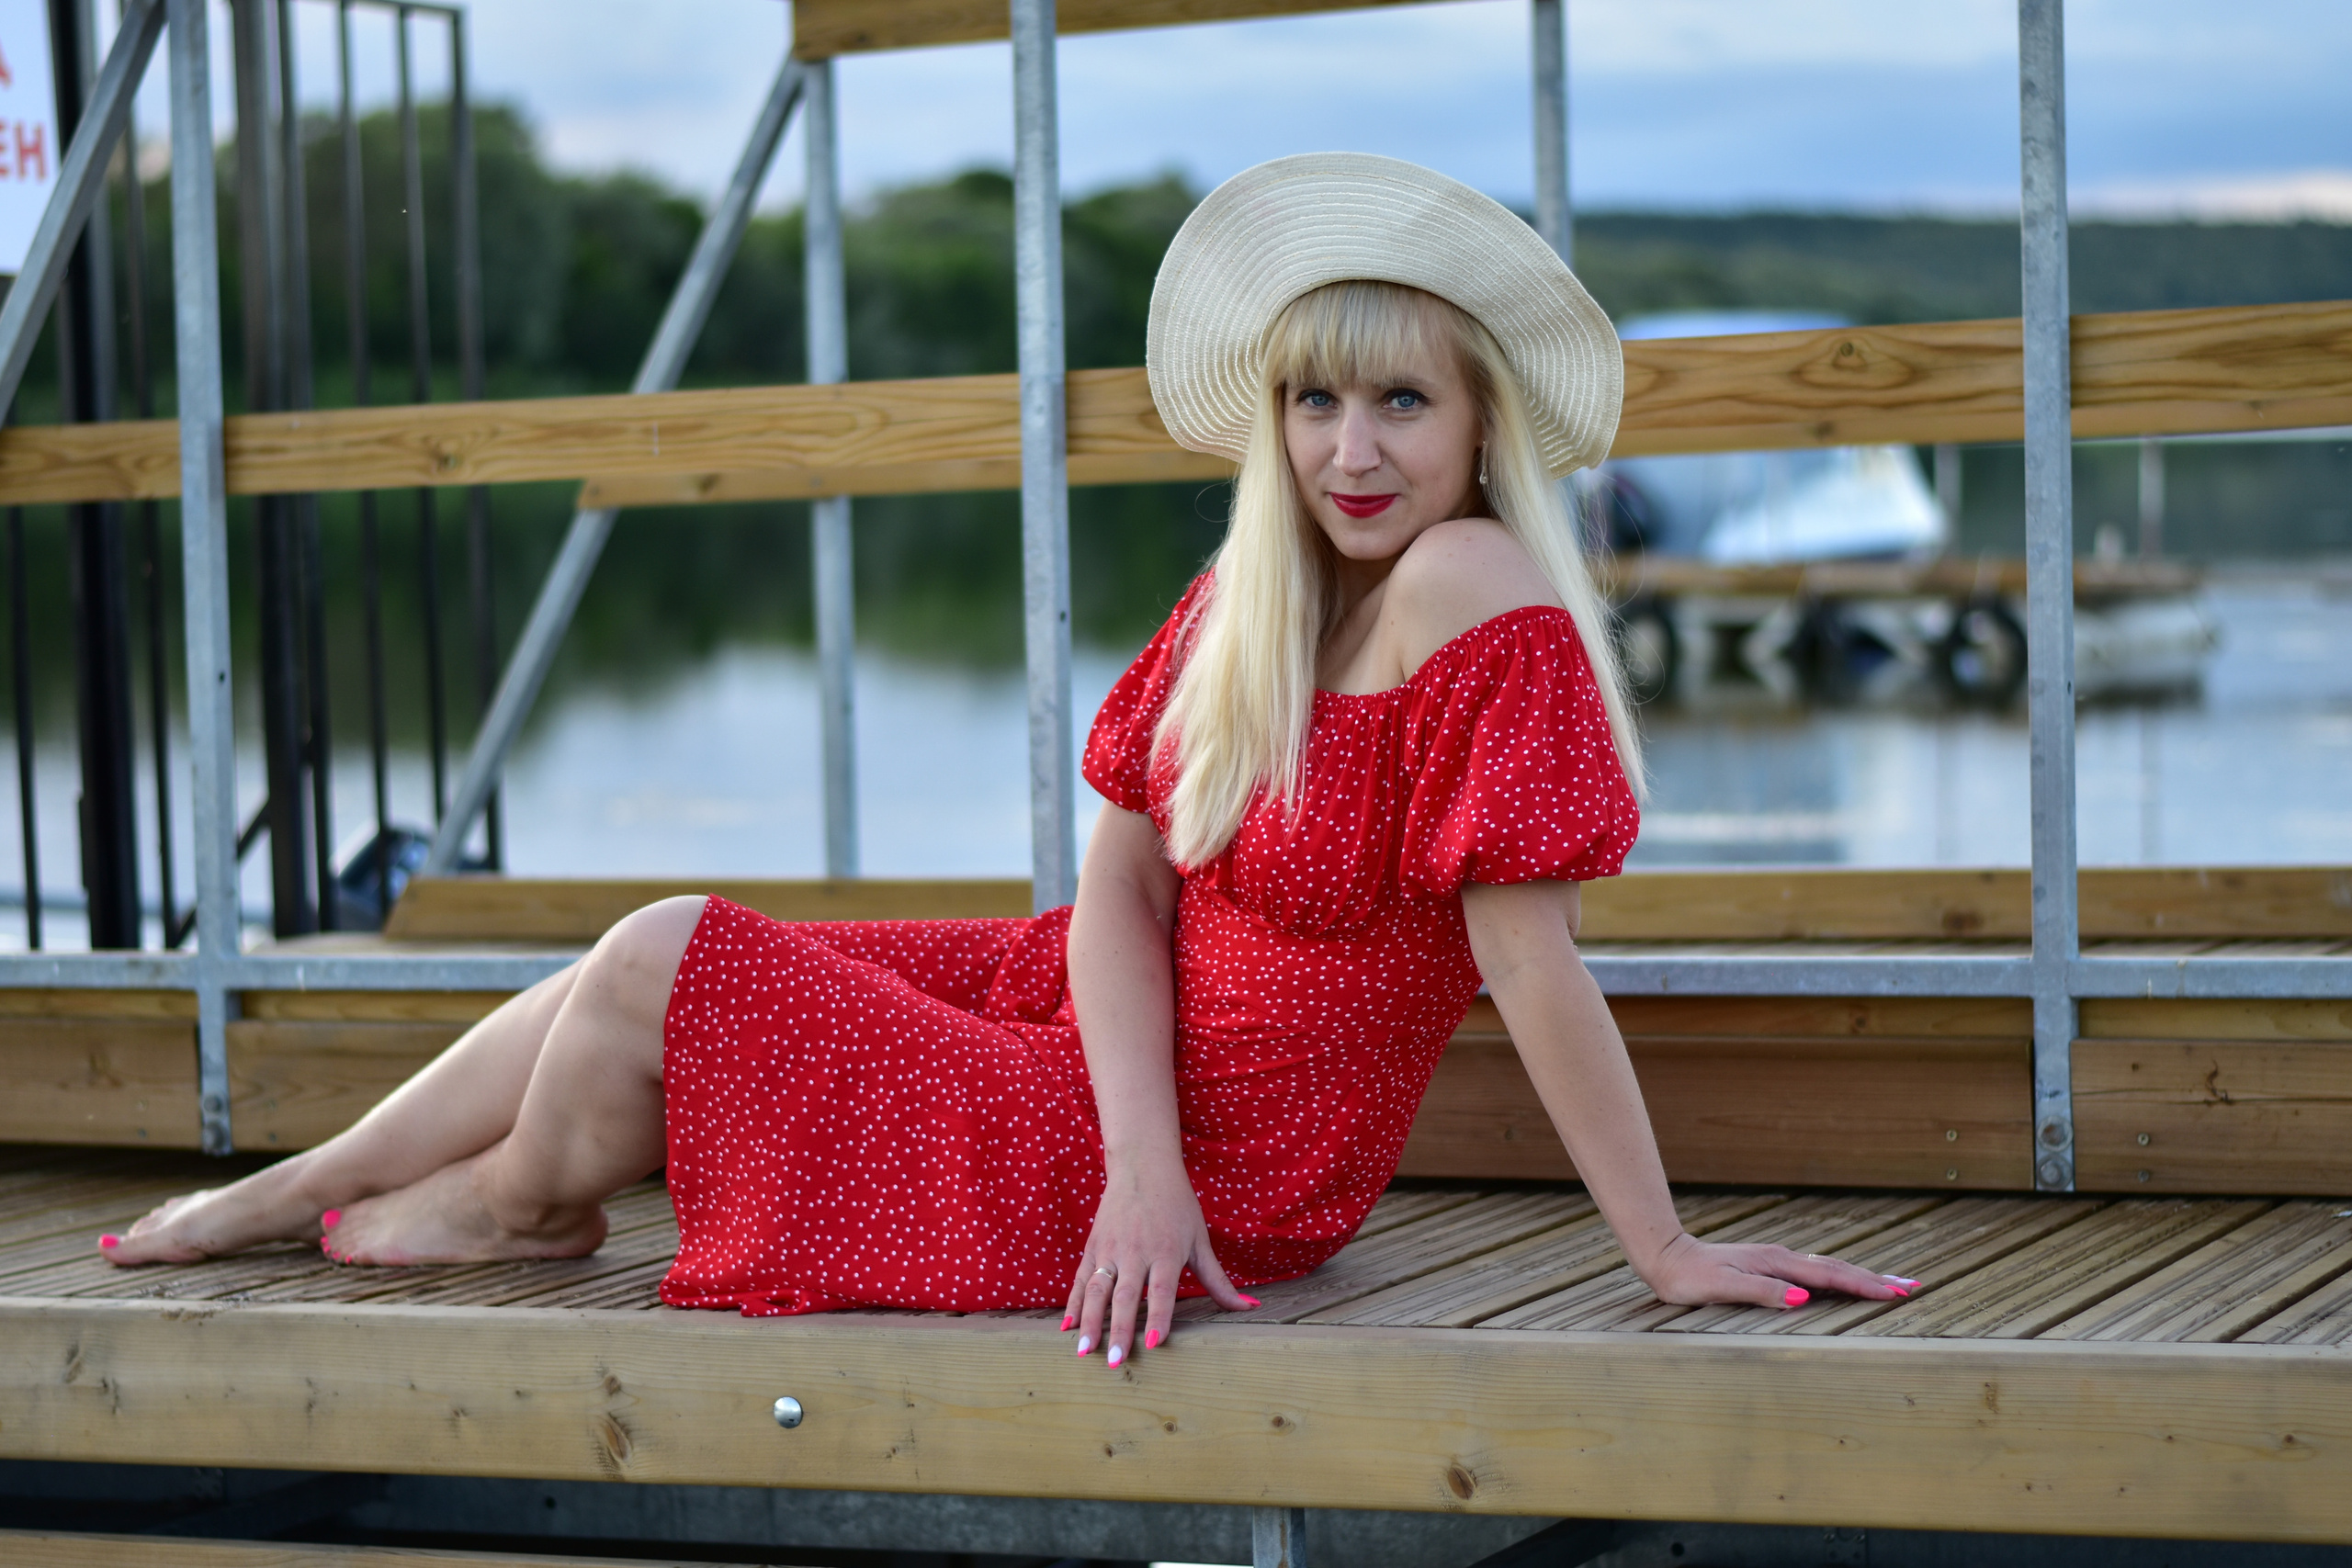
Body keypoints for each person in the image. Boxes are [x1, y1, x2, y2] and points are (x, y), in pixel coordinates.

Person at [100, 153, 1909, 1365]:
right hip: (1109, 1052)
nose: (1351, 452)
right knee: (623, 973)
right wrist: (1134, 1143)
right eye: (1313, 399)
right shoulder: (1260, 593)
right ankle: (310, 1185)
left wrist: (1660, 1250)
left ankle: (513, 1203)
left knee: (665, 955)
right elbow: (1122, 888)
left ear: (1480, 419)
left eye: (1402, 402)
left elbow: (1535, 964)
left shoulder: (1470, 583)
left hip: (1239, 1155)